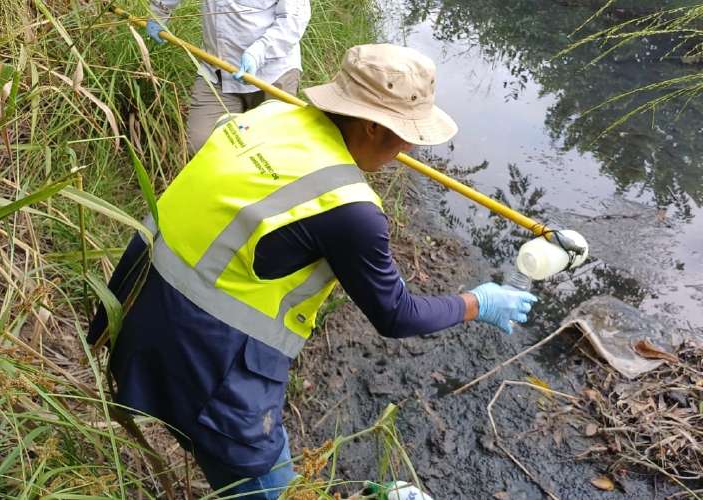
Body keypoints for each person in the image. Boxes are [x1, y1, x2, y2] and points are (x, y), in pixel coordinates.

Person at [89, 43, 538, 499]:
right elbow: (396, 314)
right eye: (406, 134)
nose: (408, 147)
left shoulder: (267, 116)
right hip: (205, 355)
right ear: (369, 125)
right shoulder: (350, 211)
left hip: (134, 301)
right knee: (271, 490)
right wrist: (476, 303)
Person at [146, 0, 311, 152]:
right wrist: (158, 13)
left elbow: (294, 19)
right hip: (217, 72)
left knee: (271, 151)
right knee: (201, 146)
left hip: (273, 74)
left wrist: (258, 53)